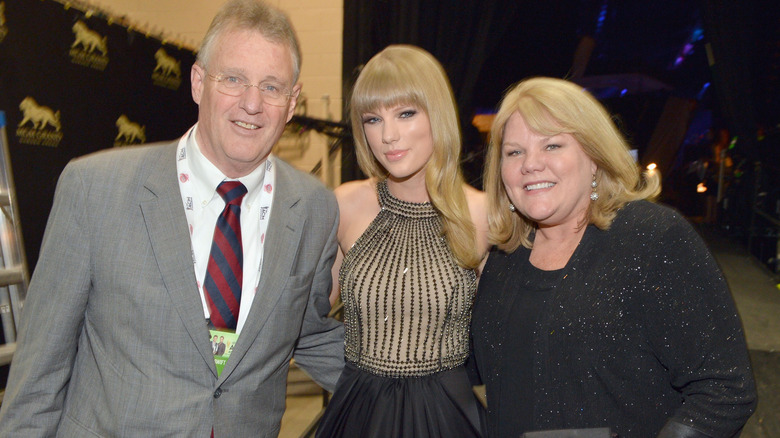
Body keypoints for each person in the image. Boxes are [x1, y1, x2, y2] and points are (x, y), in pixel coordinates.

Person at [0, 0, 343, 436]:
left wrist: (415, 385)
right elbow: (38, 371)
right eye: (233, 79)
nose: (252, 103)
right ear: (199, 82)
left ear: (292, 103)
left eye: (272, 87)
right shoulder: (94, 189)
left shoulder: (314, 208)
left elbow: (307, 332)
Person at [471, 77, 757, 437]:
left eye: (552, 145)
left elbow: (725, 389)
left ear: (594, 158)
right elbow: (478, 367)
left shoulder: (651, 238)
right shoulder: (505, 255)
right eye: (515, 152)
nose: (531, 164)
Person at [315, 45, 490, 437]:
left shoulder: (484, 214)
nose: (388, 135)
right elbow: (298, 315)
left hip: (447, 416)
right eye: (373, 119)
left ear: (438, 114)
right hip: (359, 413)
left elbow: (510, 331)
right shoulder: (345, 204)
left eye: (406, 113)